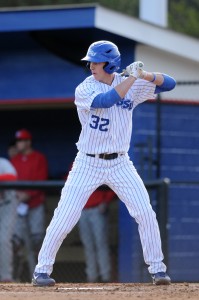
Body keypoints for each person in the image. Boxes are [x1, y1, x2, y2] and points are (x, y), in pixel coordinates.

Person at [32, 40, 176, 287]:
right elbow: (106, 100)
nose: (91, 66)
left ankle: (158, 270)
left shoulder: (129, 82)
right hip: (88, 162)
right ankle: (41, 270)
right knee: (65, 216)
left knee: (145, 212)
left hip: (120, 162)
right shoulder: (85, 88)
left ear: (111, 64)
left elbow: (170, 84)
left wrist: (144, 74)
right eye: (90, 61)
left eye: (96, 62)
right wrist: (132, 78)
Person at [11, 129, 48, 274]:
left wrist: (28, 194)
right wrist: (19, 195)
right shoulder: (14, 160)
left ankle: (41, 273)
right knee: (15, 242)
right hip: (19, 206)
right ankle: (15, 275)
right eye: (18, 141)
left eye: (21, 141)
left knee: (37, 241)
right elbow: (10, 180)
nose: (18, 144)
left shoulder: (39, 158)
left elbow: (42, 179)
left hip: (35, 205)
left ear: (28, 142)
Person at [78, 187, 116, 283]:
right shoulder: (75, 171)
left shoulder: (103, 170)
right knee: (88, 245)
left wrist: (106, 201)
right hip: (81, 209)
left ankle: (105, 276)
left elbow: (113, 184)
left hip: (97, 209)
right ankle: (92, 276)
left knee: (101, 243)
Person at [0, 156, 18, 282]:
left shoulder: (3, 163)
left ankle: (6, 277)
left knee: (3, 240)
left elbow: (12, 177)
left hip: (7, 205)